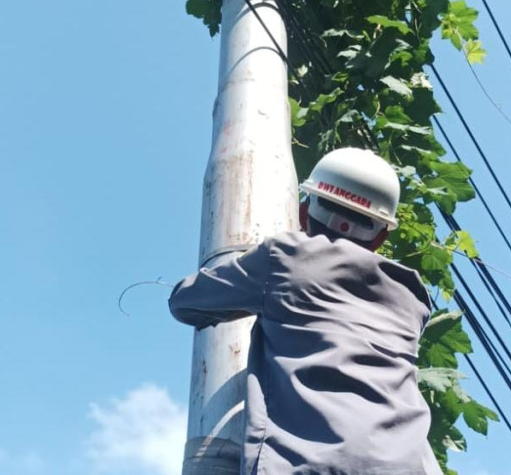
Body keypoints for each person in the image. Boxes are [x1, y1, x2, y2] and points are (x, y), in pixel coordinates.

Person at [169, 147, 442, 475]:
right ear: (381, 235)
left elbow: (186, 302)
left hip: (311, 464)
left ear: (303, 211)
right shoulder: (411, 295)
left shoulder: (285, 257)